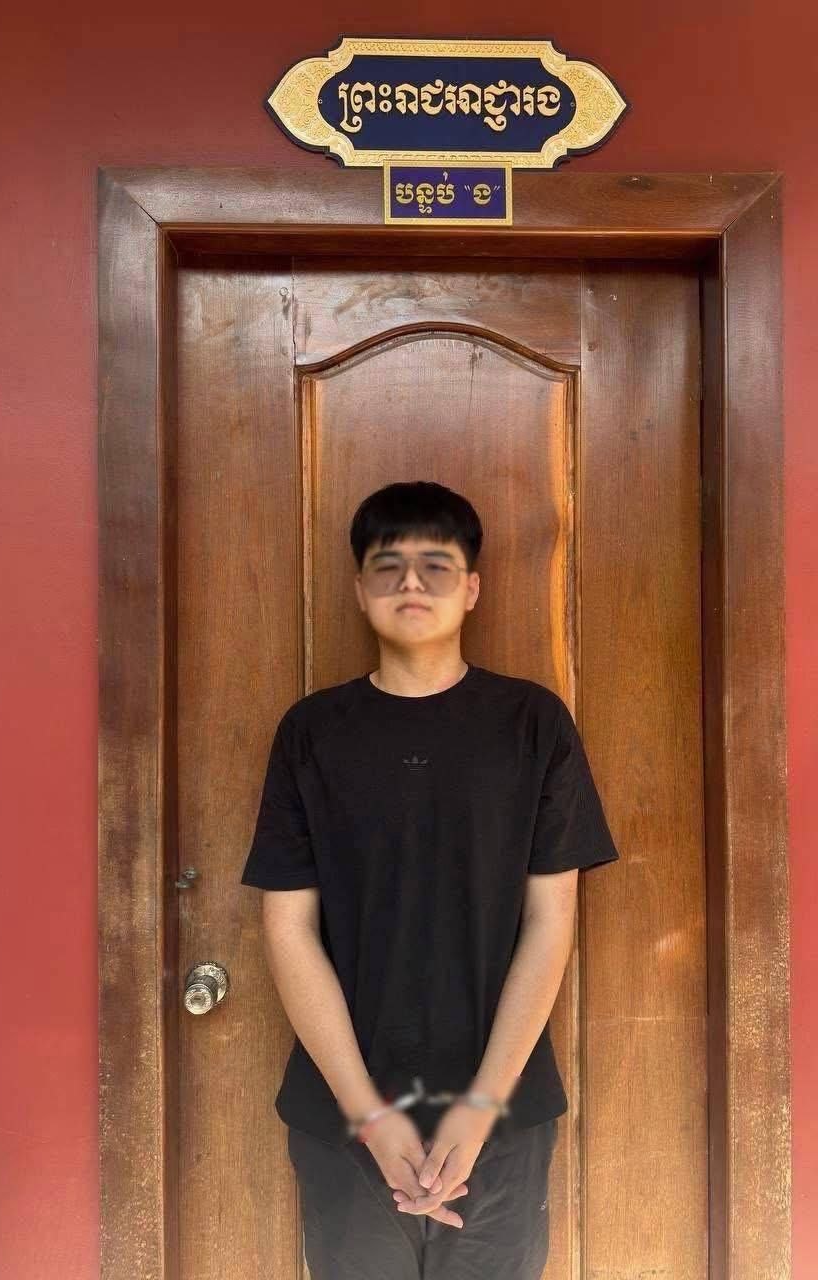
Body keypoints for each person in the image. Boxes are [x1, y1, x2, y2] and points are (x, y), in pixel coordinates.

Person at [240, 480, 620, 1279]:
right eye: (388, 565)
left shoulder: (533, 724)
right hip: (343, 1115)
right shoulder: (312, 733)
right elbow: (288, 929)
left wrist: (479, 1109)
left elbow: (550, 923)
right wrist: (370, 1117)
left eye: (435, 565)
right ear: (359, 588)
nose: (410, 582)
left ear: (471, 587)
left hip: (502, 1114)